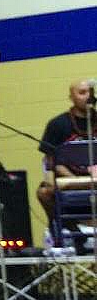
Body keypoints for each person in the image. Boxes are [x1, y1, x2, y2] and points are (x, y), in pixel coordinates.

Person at [37, 80, 96, 216]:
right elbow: (52, 162)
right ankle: (63, 230)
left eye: (90, 92)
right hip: (70, 180)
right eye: (82, 93)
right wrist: (76, 180)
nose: (88, 96)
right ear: (71, 98)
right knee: (44, 193)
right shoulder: (57, 124)